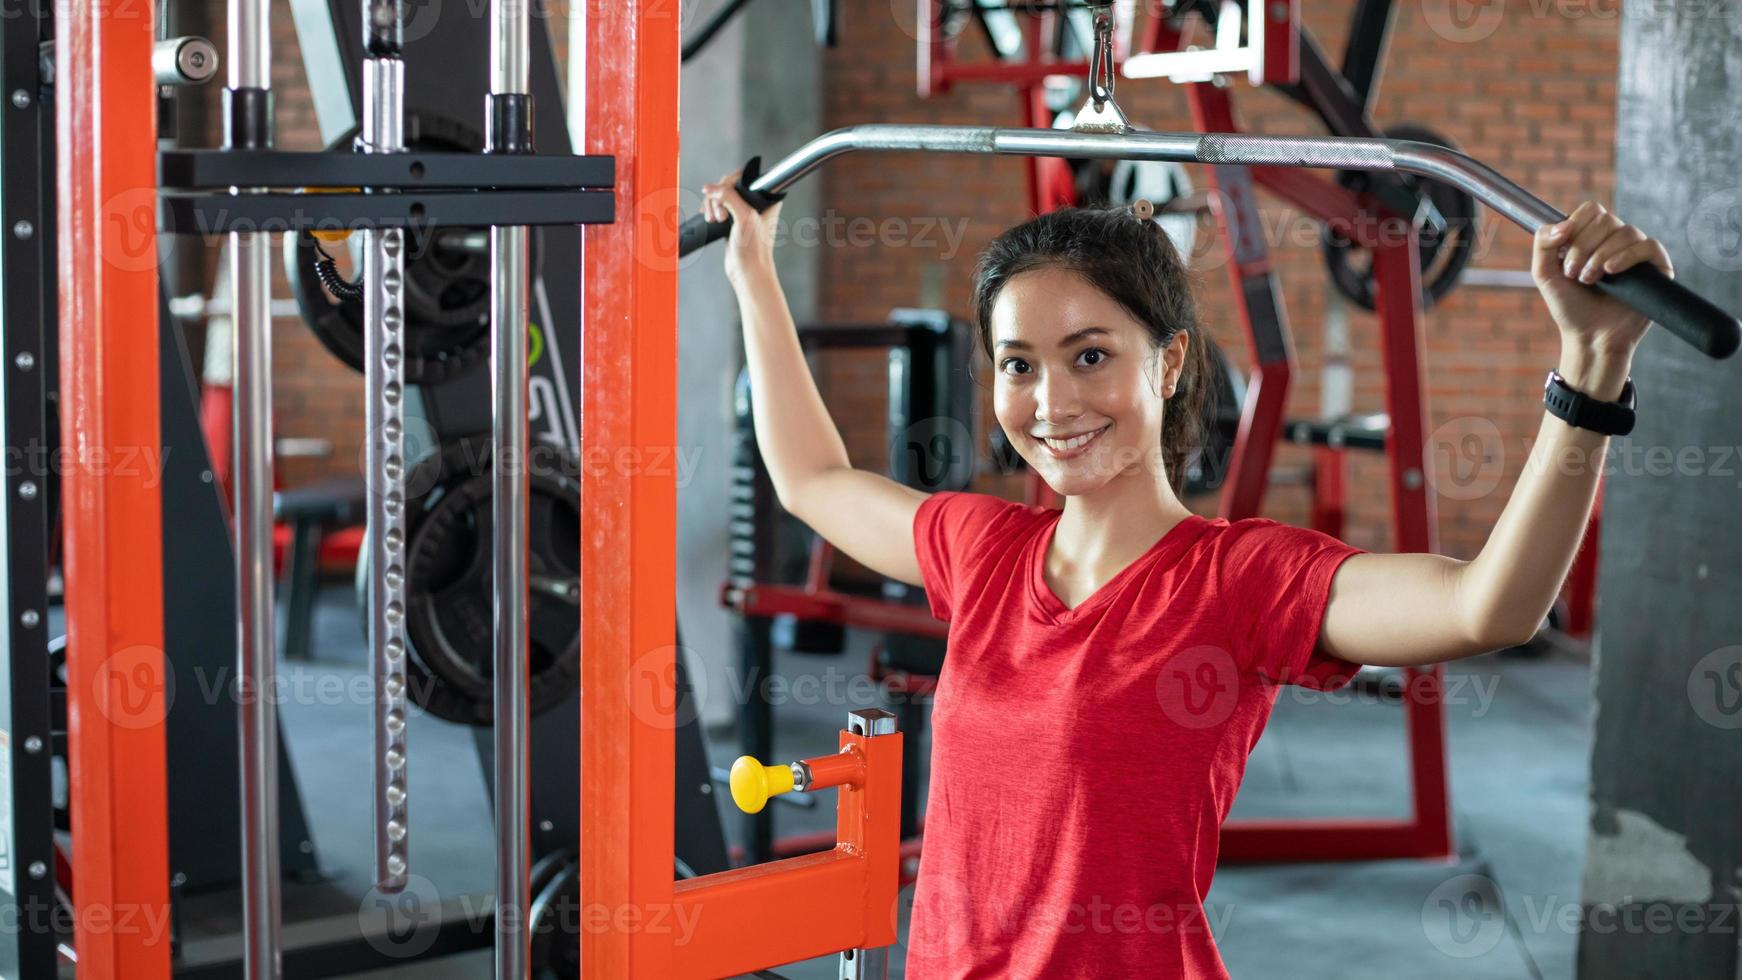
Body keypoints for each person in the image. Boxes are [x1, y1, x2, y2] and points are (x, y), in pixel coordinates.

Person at [700, 170, 1671, 979]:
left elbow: (1486, 605)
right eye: (1017, 364)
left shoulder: (1233, 581)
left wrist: (1586, 370)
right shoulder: (982, 550)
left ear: (1166, 366)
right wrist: (752, 266)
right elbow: (811, 478)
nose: (1049, 402)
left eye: (1088, 355)